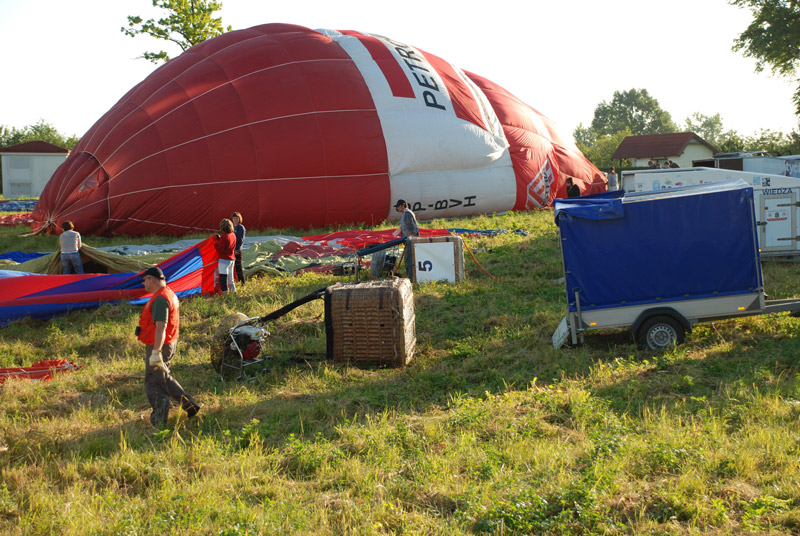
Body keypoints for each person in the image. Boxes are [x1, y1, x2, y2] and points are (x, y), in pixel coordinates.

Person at [137, 266, 200, 427]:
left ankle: (159, 421)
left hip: (160, 345)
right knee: (163, 377)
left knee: (155, 382)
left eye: (144, 280)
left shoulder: (160, 299)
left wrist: (156, 352)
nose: (143, 283)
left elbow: (161, 327)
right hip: (167, 343)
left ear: (152, 279)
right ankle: (190, 405)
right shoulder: (168, 293)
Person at [392, 199, 420, 282]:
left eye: (398, 206)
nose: (397, 208)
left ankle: (411, 278)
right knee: (409, 258)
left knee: (409, 259)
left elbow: (410, 225)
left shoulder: (407, 213)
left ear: (402, 205)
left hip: (410, 239)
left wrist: (409, 237)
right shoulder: (405, 213)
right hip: (408, 238)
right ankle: (410, 277)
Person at [215, 218, 237, 293]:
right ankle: (234, 291)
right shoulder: (233, 235)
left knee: (223, 278)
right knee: (231, 278)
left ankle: (225, 293)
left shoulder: (224, 237)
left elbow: (220, 250)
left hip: (224, 260)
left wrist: (216, 244)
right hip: (232, 259)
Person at [231, 212, 246, 287]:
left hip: (237, 250)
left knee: (238, 268)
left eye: (236, 218)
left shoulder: (241, 227)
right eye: (234, 218)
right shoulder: (231, 227)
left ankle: (242, 284)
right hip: (231, 250)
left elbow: (240, 240)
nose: (235, 220)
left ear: (239, 219)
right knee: (232, 268)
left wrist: (236, 249)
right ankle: (234, 283)